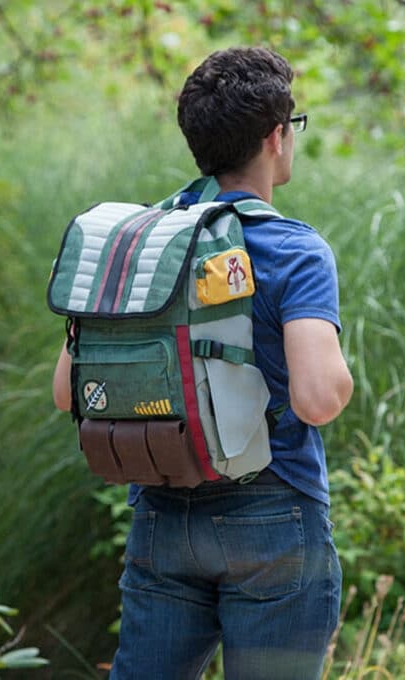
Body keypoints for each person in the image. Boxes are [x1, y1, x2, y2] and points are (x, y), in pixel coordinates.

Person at [52, 46, 353, 679]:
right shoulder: (296, 249)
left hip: (163, 512)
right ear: (276, 136)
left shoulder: (138, 239)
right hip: (275, 517)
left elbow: (64, 391)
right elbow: (317, 399)